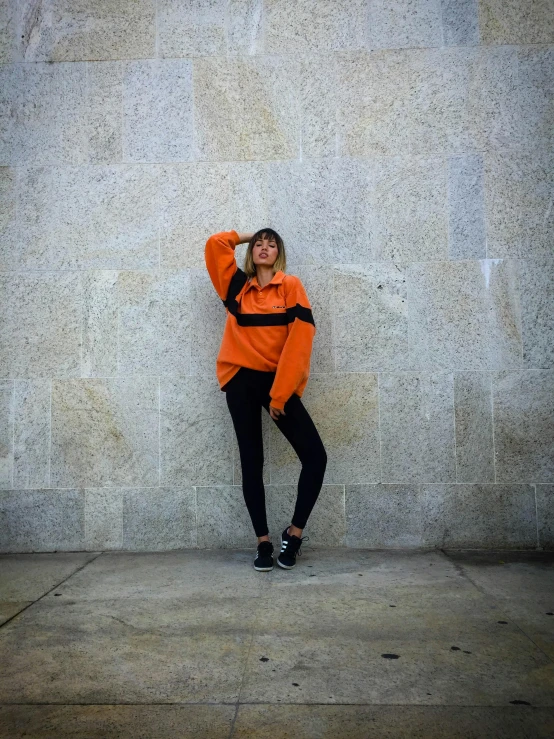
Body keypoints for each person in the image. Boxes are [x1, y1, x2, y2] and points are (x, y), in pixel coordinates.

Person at [204, 229, 327, 572]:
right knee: (251, 461)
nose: (263, 247)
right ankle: (262, 543)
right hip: (240, 381)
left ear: (279, 254)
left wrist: (281, 394)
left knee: (316, 457)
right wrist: (249, 233)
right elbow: (216, 245)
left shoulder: (290, 287)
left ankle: (295, 534)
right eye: (259, 243)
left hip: (277, 384)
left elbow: (300, 341)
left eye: (271, 244)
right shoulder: (236, 287)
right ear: (250, 251)